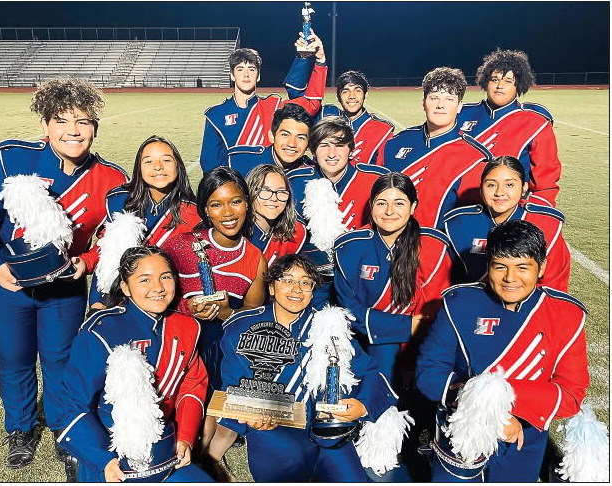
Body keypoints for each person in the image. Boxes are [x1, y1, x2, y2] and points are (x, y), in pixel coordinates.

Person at [0, 77, 128, 468]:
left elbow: (113, 241)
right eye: (61, 120)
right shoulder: (11, 158)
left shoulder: (112, 178)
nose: (73, 130)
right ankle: (20, 428)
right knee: (14, 358)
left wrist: (85, 264)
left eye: (83, 121)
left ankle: (62, 425)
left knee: (60, 359)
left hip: (64, 288)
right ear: (45, 126)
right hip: (8, 285)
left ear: (95, 128)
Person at [416, 220, 589, 482]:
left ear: (540, 267)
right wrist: (484, 410)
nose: (510, 278)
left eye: (522, 267)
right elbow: (429, 373)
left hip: (523, 439)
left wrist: (501, 404)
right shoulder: (459, 302)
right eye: (500, 267)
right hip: (460, 434)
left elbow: (571, 394)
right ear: (489, 266)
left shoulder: (565, 315)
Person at [218, 254, 408, 481]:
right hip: (275, 436)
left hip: (328, 435)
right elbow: (233, 387)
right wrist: (248, 417)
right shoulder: (241, 327)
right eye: (287, 280)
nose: (296, 289)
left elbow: (370, 372)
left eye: (305, 282)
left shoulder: (330, 326)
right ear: (271, 288)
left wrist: (363, 405)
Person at [55, 246, 212, 482]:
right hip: (110, 451)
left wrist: (186, 437)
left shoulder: (187, 327)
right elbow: (71, 405)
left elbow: (192, 385)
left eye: (166, 277)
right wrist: (101, 459)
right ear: (126, 287)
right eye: (144, 280)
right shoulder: (102, 331)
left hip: (166, 447)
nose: (158, 288)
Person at [333, 172, 452, 481]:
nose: (389, 211)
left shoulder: (434, 248)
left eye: (399, 203)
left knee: (410, 433)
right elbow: (350, 311)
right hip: (365, 348)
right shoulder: (349, 247)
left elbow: (437, 315)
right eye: (382, 203)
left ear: (413, 206)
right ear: (371, 205)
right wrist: (403, 326)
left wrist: (412, 353)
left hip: (421, 351)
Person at [161, 166, 267, 478]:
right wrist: (186, 307)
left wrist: (223, 313)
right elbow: (156, 296)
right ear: (205, 209)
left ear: (247, 203)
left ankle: (205, 456)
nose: (228, 212)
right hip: (182, 341)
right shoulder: (182, 245)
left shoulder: (254, 256)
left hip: (225, 344)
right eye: (216, 205)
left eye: (235, 201)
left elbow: (252, 318)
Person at [88, 135, 201, 310]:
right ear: (138, 168)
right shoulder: (118, 199)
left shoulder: (194, 211)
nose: (158, 167)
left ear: (178, 165)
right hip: (122, 299)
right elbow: (108, 255)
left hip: (169, 301)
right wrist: (97, 301)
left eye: (166, 160)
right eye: (148, 161)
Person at [288, 116, 389, 307]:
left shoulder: (375, 179)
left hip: (364, 284)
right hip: (312, 285)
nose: (332, 153)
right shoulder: (294, 182)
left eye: (339, 145)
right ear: (313, 149)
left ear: (351, 149)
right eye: (324, 145)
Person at [376, 67, 493, 229]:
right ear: (423, 103)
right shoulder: (394, 143)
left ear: (460, 106)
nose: (440, 105)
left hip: (436, 248)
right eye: (434, 98)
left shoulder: (475, 157)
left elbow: (473, 220)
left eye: (449, 99)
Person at [199, 31, 327, 172]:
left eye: (252, 69)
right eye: (240, 69)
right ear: (232, 75)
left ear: (258, 76)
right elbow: (209, 164)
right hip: (236, 186)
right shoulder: (215, 115)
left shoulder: (273, 106)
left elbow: (311, 105)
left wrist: (319, 60)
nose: (246, 74)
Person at [444, 156, 570, 290]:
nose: (499, 192)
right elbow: (445, 280)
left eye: (509, 184)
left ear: (524, 187)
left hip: (524, 305)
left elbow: (554, 282)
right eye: (491, 185)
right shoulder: (458, 223)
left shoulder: (546, 223)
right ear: (481, 188)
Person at [457, 48, 562, 207]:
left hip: (508, 209)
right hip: (460, 207)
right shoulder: (461, 113)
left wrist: (539, 214)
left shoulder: (535, 122)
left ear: (518, 85)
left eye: (508, 81)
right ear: (486, 81)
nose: (499, 85)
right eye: (494, 79)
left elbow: (545, 182)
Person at [286, 68, 394, 166]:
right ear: (338, 96)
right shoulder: (325, 115)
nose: (352, 96)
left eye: (358, 91)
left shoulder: (382, 130)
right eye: (345, 91)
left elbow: (384, 170)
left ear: (365, 95)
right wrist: (308, 60)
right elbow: (296, 93)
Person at [245, 164, 307, 266]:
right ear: (250, 192)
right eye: (265, 190)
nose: (274, 198)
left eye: (281, 191)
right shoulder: (237, 233)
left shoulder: (294, 234)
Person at [228, 103, 314, 176]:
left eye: (301, 138)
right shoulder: (238, 161)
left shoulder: (315, 174)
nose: (292, 144)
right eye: (285, 135)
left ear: (308, 144)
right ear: (272, 136)